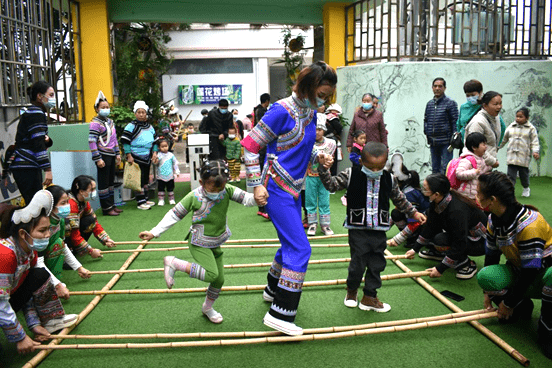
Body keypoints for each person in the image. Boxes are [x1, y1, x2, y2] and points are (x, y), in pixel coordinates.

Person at [241, 61, 337, 336]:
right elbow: (250, 146)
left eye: (328, 94)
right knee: (301, 249)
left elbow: (298, 149)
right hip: (276, 188)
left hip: (294, 188)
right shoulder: (281, 110)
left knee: (290, 243)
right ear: (308, 87)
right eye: (323, 93)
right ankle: (280, 314)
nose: (325, 99)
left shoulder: (310, 112)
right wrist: (256, 185)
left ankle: (272, 290)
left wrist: (318, 157)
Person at [139, 160, 256, 324]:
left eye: (220, 187)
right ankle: (174, 263)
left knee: (219, 280)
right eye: (212, 187)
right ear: (201, 182)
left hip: (216, 241)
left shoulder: (227, 190)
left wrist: (258, 197)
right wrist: (154, 232)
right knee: (212, 274)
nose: (217, 191)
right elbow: (174, 214)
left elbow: (247, 199)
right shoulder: (194, 196)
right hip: (198, 242)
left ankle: (207, 308)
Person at [319, 142, 426, 312]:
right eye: (371, 167)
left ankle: (369, 296)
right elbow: (331, 185)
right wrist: (324, 169)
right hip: (358, 229)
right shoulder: (351, 174)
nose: (375, 171)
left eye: (380, 167)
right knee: (358, 263)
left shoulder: (389, 178)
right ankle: (351, 291)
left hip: (379, 229)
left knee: (377, 263)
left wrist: (413, 213)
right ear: (361, 161)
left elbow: (399, 199)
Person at [475, 171, 552, 359]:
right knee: (486, 276)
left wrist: (507, 303)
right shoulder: (493, 218)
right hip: (521, 271)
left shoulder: (529, 224)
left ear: (492, 199)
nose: (475, 197)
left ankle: (547, 331)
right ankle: (522, 306)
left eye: (478, 194)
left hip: (544, 274)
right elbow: (491, 256)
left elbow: (531, 270)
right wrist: (488, 293)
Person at [0, 190, 78, 354]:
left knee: (40, 274)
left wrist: (34, 325)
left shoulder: (29, 251)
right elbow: (1, 302)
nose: (48, 234)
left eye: (48, 229)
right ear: (23, 233)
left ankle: (51, 321)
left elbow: (26, 290)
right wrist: (20, 337)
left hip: (7, 298)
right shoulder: (5, 255)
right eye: (43, 231)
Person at [405, 173, 487, 280]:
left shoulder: (457, 211)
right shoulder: (438, 202)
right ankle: (445, 255)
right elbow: (430, 226)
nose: (423, 192)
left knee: (442, 240)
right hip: (464, 236)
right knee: (438, 239)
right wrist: (414, 249)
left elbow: (459, 242)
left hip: (481, 243)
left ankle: (466, 264)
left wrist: (440, 269)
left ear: (437, 194)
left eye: (426, 189)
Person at [37, 185, 91, 300]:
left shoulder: (60, 221)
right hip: (32, 263)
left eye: (67, 202)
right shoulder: (39, 226)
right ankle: (49, 285)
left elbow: (63, 246)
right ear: (50, 206)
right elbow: (37, 261)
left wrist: (79, 268)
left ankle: (53, 280)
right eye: (63, 203)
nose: (67, 206)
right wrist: (58, 285)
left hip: (44, 255)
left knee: (58, 243)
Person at [9, 81, 55, 204]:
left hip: (26, 165)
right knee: (35, 206)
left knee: (34, 204)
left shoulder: (33, 112)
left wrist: (48, 141)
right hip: (26, 166)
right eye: (51, 95)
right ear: (40, 96)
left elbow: (39, 140)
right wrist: (48, 170)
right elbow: (38, 145)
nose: (53, 99)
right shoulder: (36, 114)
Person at [88, 91, 122, 216]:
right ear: (97, 108)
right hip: (102, 155)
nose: (105, 109)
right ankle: (106, 208)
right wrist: (97, 158)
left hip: (112, 155)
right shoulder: (95, 123)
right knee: (103, 183)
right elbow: (92, 141)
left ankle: (112, 205)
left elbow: (114, 139)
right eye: (103, 107)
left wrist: (118, 154)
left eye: (107, 107)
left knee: (110, 182)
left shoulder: (110, 122)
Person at [65, 175, 116, 259]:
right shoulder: (71, 204)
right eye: (91, 189)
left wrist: (105, 239)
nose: (94, 192)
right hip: (64, 234)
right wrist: (90, 251)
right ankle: (70, 249)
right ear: (81, 191)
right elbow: (73, 233)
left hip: (73, 231)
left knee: (90, 220)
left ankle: (77, 247)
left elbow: (94, 222)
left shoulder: (84, 201)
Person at [121, 101, 159, 210]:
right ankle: (140, 202)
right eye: (139, 112)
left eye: (143, 112)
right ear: (135, 113)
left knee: (146, 178)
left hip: (147, 156)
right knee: (138, 179)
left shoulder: (150, 127)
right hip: (135, 156)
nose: (141, 114)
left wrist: (154, 153)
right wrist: (128, 155)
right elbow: (125, 141)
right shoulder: (131, 126)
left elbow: (155, 142)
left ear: (146, 114)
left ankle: (146, 199)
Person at [499, 107, 540, 198]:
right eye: (517, 116)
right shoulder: (511, 126)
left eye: (520, 117)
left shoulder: (531, 128)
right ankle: (510, 191)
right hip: (512, 156)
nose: (518, 118)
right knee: (510, 176)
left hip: (523, 156)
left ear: (527, 118)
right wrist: (498, 147)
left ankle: (526, 188)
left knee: (523, 176)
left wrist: (535, 151)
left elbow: (534, 141)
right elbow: (504, 139)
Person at [305, 122, 336, 236]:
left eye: (320, 129)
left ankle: (325, 225)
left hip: (325, 177)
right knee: (310, 200)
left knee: (324, 200)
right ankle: (312, 224)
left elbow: (330, 160)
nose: (317, 132)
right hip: (310, 175)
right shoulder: (307, 142)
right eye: (315, 129)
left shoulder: (331, 143)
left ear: (324, 130)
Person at [387, 165, 429, 249]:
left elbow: (415, 221)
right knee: (396, 213)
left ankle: (414, 238)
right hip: (418, 221)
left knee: (398, 214)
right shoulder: (405, 189)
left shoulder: (408, 194)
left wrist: (398, 239)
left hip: (424, 225)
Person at [423, 78, 459, 174]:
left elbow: (455, 121)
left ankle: (445, 188)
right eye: (435, 86)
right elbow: (426, 120)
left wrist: (453, 139)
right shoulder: (429, 104)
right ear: (432, 88)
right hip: (433, 142)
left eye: (440, 86)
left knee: (446, 168)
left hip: (446, 142)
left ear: (444, 88)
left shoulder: (450, 103)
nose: (437, 88)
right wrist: (426, 131)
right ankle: (434, 188)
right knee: (435, 168)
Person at [464, 91, 503, 169]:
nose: (499, 107)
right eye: (495, 104)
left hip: (486, 165)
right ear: (485, 105)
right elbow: (475, 148)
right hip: (476, 166)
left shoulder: (496, 117)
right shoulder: (477, 122)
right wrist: (492, 161)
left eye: (500, 103)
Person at [454, 132, 492, 201]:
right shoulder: (467, 160)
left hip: (474, 194)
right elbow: (459, 173)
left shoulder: (480, 159)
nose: (486, 147)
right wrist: (474, 172)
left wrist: (489, 168)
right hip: (465, 195)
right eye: (483, 144)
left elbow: (481, 171)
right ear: (474, 147)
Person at [253, 93, 271, 220]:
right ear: (267, 101)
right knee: (265, 177)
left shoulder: (256, 110)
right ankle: (264, 208)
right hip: (264, 149)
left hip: (261, 147)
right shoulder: (263, 112)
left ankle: (262, 207)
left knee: (262, 177)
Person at [155, 139, 180, 206]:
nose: (164, 148)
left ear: (168, 146)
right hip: (161, 176)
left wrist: (177, 171)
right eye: (162, 147)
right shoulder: (158, 155)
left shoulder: (171, 155)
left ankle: (171, 199)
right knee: (161, 188)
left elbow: (175, 163)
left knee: (170, 188)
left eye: (166, 146)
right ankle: (161, 200)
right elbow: (155, 163)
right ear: (159, 147)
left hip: (170, 176)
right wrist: (156, 160)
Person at [325, 103, 343, 175]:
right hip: (332, 140)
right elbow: (339, 129)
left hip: (324, 140)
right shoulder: (333, 119)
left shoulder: (325, 117)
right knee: (333, 160)